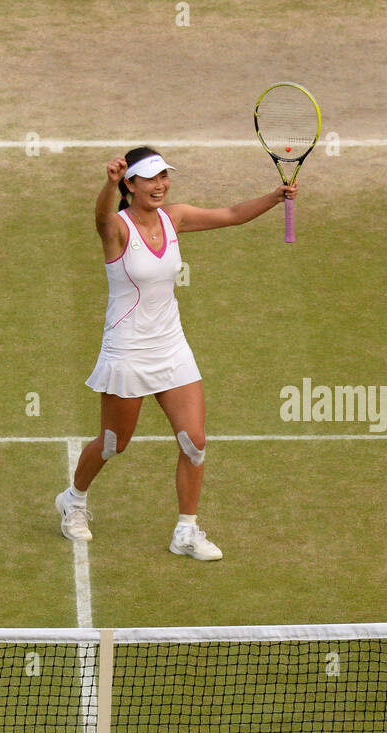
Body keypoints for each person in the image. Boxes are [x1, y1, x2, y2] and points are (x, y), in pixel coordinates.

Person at [55, 147, 297, 560]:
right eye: (149, 178)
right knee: (114, 443)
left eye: (164, 176)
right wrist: (106, 185)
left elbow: (232, 214)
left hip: (171, 347)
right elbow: (99, 218)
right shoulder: (116, 227)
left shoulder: (176, 217)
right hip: (128, 350)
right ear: (129, 185)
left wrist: (274, 198)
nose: (160, 185)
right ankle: (73, 499)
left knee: (194, 441)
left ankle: (186, 531)